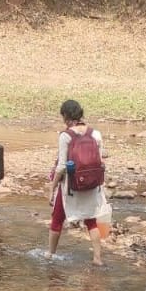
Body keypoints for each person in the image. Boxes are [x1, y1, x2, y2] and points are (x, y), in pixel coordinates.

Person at [48, 100, 107, 266]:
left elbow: (61, 167)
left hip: (71, 186)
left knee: (57, 218)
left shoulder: (66, 135)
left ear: (66, 117)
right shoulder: (96, 134)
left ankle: (50, 255)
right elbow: (100, 160)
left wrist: (52, 189)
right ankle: (97, 258)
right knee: (91, 221)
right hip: (92, 185)